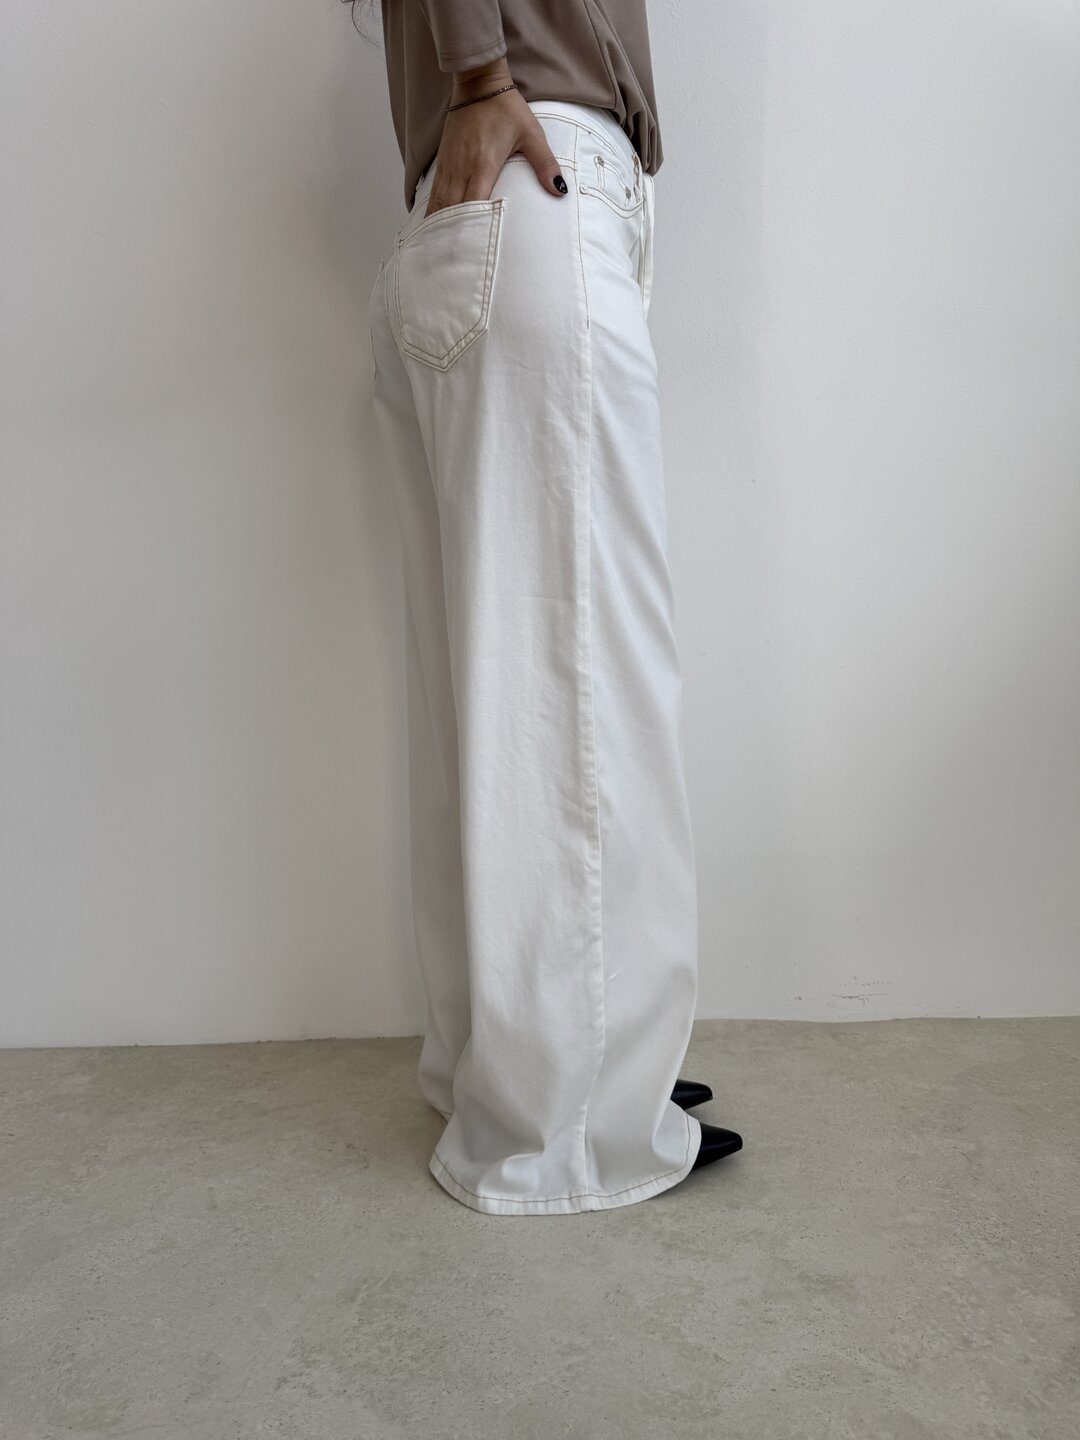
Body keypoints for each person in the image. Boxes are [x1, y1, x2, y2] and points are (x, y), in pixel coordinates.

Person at [357, 0, 743, 1215]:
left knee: (493, 696)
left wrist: (477, 87)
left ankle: (513, 1072)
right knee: (581, 686)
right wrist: (481, 78)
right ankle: (574, 1128)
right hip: (535, 173)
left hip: (481, 198)